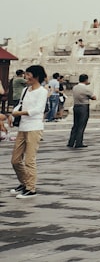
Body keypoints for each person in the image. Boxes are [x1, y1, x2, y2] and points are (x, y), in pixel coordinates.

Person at [8, 64, 48, 198]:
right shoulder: (26, 90)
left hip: (34, 127)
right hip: (23, 127)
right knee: (15, 160)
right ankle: (24, 182)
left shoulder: (42, 91)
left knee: (29, 160)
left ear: (36, 76)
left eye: (28, 74)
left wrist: (20, 113)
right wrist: (13, 113)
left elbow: (38, 109)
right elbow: (20, 104)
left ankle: (31, 188)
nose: (26, 77)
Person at [67, 74, 96, 148]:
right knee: (81, 125)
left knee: (75, 125)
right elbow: (94, 97)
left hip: (76, 106)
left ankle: (71, 142)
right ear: (86, 80)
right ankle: (79, 142)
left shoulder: (75, 87)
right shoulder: (86, 89)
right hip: (84, 106)